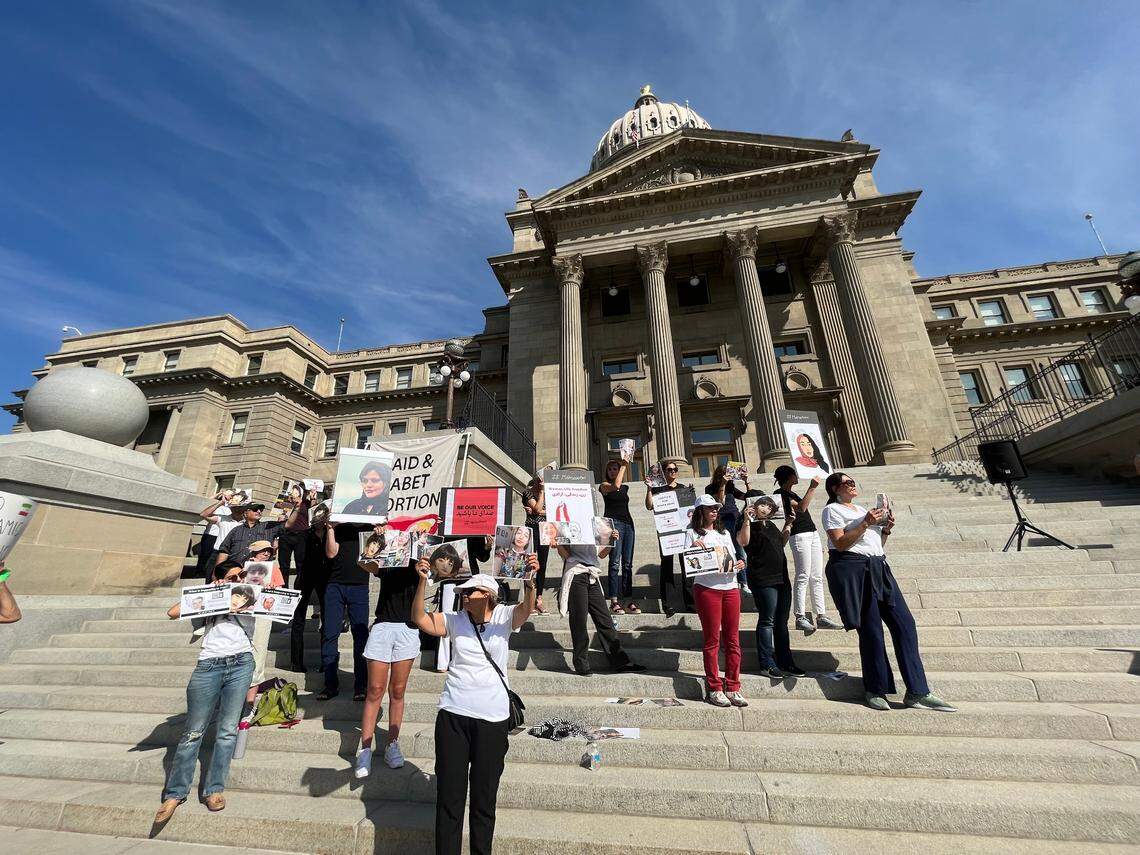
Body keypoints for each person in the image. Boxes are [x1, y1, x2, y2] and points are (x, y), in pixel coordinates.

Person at [410, 560, 539, 855]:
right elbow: (420, 618)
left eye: (471, 592)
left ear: (489, 595)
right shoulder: (455, 619)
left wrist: (530, 582)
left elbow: (525, 610)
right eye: (463, 592)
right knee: (450, 800)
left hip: (492, 719)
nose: (465, 595)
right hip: (454, 714)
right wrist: (421, 582)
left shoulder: (504, 617)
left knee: (484, 801)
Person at [822, 472, 956, 713]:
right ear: (835, 488)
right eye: (847, 482)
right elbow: (841, 544)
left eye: (853, 481)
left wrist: (885, 531)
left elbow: (874, 545)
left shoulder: (861, 508)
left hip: (878, 567)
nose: (853, 485)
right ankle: (875, 689)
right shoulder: (832, 511)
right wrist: (865, 523)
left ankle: (918, 690)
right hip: (855, 570)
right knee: (871, 630)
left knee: (905, 624)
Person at [155, 560, 253, 823]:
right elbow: (172, 612)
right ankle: (175, 792)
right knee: (193, 731)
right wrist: (212, 591)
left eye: (240, 575)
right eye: (232, 576)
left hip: (242, 660)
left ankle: (214, 789)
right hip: (210, 663)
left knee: (227, 730)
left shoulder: (250, 595)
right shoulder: (210, 596)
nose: (237, 580)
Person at [354, 525, 422, 778]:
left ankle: (393, 744)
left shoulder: (421, 559)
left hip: (408, 628)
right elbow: (365, 563)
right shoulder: (389, 557)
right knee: (374, 690)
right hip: (383, 626)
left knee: (398, 690)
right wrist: (377, 537)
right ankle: (365, 749)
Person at [684, 494, 747, 707]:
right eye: (710, 508)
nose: (714, 511)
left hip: (730, 587)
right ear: (700, 510)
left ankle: (733, 686)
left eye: (716, 508)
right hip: (707, 588)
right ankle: (714, 687)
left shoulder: (724, 532)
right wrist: (694, 548)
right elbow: (688, 563)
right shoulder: (691, 532)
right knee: (712, 640)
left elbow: (730, 556)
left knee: (733, 640)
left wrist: (739, 564)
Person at [555, 535, 646, 677]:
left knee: (605, 619)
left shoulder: (594, 525)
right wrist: (558, 542)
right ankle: (581, 664)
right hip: (576, 573)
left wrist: (611, 541)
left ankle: (620, 662)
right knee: (579, 620)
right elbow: (566, 554)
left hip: (593, 574)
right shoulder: (567, 523)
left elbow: (602, 554)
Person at [736, 496, 805, 679]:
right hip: (763, 578)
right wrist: (746, 520)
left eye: (770, 506)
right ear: (755, 506)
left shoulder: (771, 525)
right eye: (763, 504)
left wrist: (788, 524)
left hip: (781, 577)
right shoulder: (748, 524)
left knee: (781, 622)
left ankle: (786, 662)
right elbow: (743, 542)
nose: (766, 508)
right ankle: (766, 663)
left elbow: (780, 543)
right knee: (767, 620)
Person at [773, 465, 842, 634]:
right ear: (789, 477)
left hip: (812, 533)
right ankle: (800, 616)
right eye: (794, 474)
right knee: (803, 575)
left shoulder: (792, 493)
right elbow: (802, 507)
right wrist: (812, 486)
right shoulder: (779, 494)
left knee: (816, 576)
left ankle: (821, 615)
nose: (797, 476)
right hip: (798, 535)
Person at [317, 520, 374, 701]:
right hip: (335, 585)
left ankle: (361, 685)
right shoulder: (337, 526)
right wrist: (331, 529)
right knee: (330, 634)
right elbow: (331, 553)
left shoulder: (370, 527)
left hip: (359, 585)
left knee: (360, 635)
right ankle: (330, 684)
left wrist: (380, 531)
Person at [645, 462, 694, 616]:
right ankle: (668, 604)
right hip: (667, 533)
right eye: (669, 469)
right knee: (666, 566)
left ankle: (691, 603)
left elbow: (690, 510)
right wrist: (649, 489)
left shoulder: (683, 488)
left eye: (675, 469)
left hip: (683, 533)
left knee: (686, 566)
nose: (673, 472)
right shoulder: (658, 489)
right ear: (664, 472)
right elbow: (649, 506)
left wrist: (691, 494)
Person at [290, 504, 329, 672]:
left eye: (323, 517)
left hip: (325, 578)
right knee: (298, 620)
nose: (320, 520)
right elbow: (299, 557)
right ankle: (296, 661)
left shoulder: (331, 534)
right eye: (318, 517)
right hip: (305, 577)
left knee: (327, 620)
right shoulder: (304, 534)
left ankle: (326, 661)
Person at [600, 458, 639, 614]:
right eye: (610, 469)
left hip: (628, 524)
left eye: (615, 468)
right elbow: (615, 485)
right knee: (615, 562)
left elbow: (620, 485)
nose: (613, 471)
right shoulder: (604, 486)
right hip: (613, 524)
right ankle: (614, 601)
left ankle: (628, 600)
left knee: (627, 564)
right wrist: (624, 464)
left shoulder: (625, 488)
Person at [705, 465, 752, 594]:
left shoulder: (731, 487)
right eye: (726, 473)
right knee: (726, 551)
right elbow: (720, 502)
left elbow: (749, 497)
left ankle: (744, 582)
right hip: (721, 522)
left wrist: (746, 481)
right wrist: (723, 484)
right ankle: (731, 580)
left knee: (740, 551)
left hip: (735, 520)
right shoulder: (710, 488)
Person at [214, 504, 281, 567]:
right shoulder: (236, 530)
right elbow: (224, 551)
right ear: (245, 513)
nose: (259, 511)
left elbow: (288, 525)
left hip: (258, 571)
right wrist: (217, 572)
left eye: (261, 510)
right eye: (255, 509)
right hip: (234, 570)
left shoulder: (269, 527)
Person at [197, 491, 242, 582]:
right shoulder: (224, 519)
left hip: (234, 556)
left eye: (239, 507)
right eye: (234, 507)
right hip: (217, 553)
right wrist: (221, 502)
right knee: (211, 581)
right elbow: (203, 514)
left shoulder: (246, 523)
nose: (236, 509)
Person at [523, 475, 550, 614]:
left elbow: (549, 511)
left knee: (543, 564)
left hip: (545, 529)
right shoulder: (527, 492)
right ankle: (529, 599)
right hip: (532, 529)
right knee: (530, 564)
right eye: (540, 480)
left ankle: (539, 598)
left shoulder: (549, 492)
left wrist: (539, 511)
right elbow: (538, 509)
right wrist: (542, 492)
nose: (542, 482)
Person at [277, 484, 312, 587]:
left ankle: (298, 589)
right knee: (283, 564)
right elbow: (280, 520)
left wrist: (313, 498)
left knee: (301, 565)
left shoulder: (307, 503)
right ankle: (284, 588)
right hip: (285, 535)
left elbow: (314, 515)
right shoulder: (287, 502)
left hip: (302, 535)